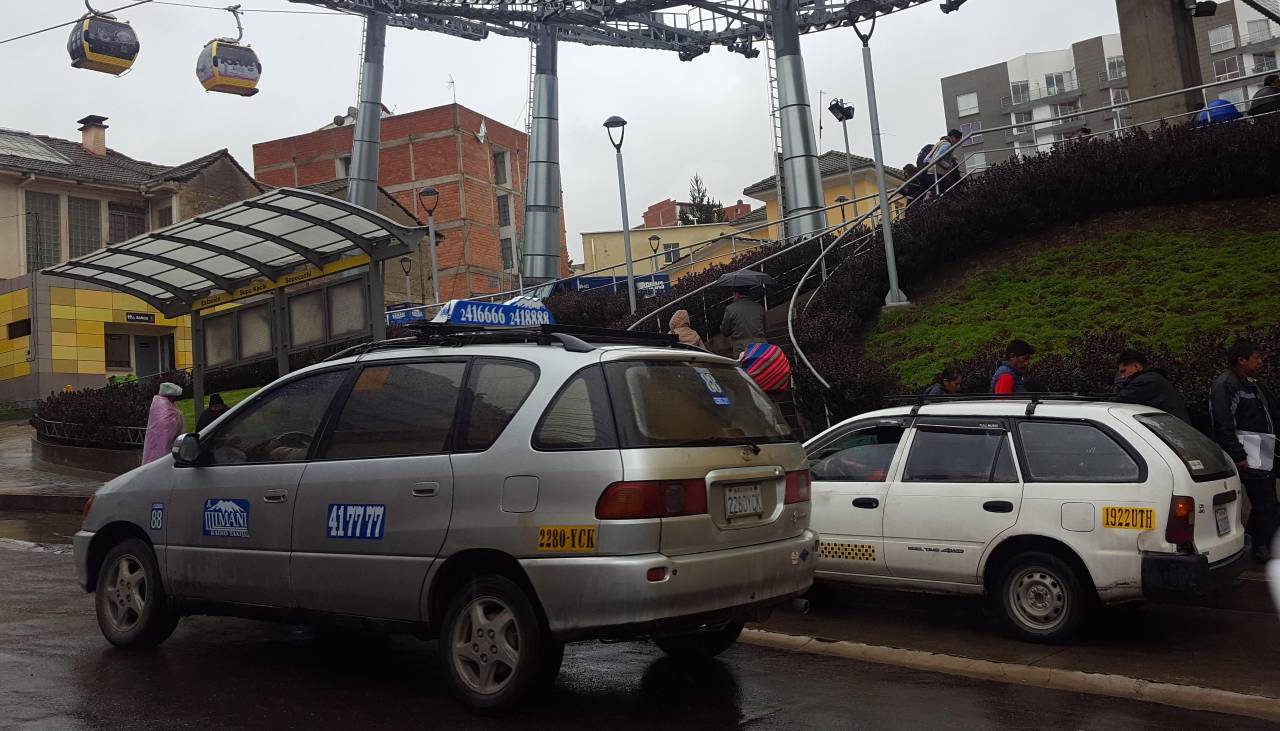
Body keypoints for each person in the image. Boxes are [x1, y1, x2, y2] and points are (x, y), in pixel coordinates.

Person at [1210, 339, 1277, 562]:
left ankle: (1254, 543)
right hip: (1247, 451)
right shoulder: (1226, 384)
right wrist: (1238, 455)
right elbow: (1223, 422)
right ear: (1241, 360)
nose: (1260, 361)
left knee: (1267, 500)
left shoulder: (1252, 383)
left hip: (1262, 448)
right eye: (1256, 357)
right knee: (1264, 501)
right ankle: (1258, 547)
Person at [1111, 350, 1191, 423]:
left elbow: (1117, 402)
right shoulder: (1153, 378)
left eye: (1123, 371)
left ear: (1136, 366)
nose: (1122, 376)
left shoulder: (1146, 381)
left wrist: (1119, 385)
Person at [142, 382, 183, 464]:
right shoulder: (163, 405)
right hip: (163, 440)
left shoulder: (159, 403)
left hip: (156, 439)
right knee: (160, 458)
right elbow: (166, 425)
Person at [720, 286, 766, 357]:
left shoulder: (730, 309)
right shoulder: (759, 307)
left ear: (736, 294)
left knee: (745, 367)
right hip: (762, 347)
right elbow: (765, 328)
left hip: (742, 349)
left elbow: (725, 331)